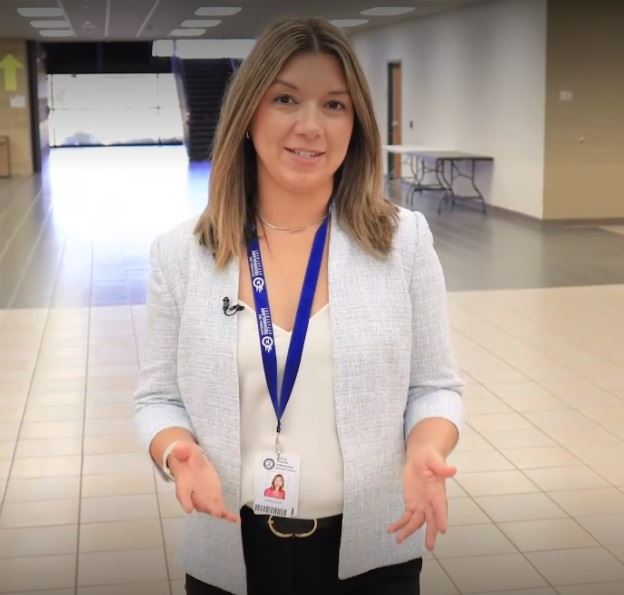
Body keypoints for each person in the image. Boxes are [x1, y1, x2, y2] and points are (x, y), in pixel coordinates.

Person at [133, 16, 463, 595]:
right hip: (229, 547)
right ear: (248, 116)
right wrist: (176, 451)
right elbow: (157, 399)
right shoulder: (180, 254)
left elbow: (434, 386)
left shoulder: (401, 241)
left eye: (334, 105)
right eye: (286, 98)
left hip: (372, 550)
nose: (311, 125)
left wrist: (426, 448)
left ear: (355, 122)